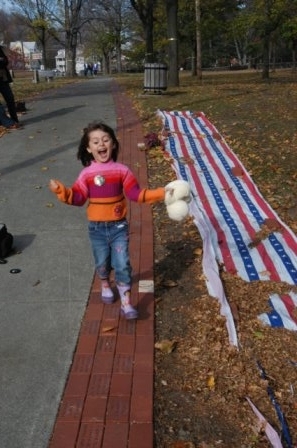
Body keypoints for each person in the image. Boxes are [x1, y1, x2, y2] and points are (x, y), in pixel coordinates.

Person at [49, 121, 167, 320]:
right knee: (102, 263)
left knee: (122, 264)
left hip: (118, 227)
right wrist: (63, 192)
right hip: (96, 229)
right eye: (95, 142)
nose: (101, 144)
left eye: (105, 140)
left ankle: (127, 303)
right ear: (89, 148)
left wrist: (162, 193)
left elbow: (136, 194)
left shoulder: (122, 170)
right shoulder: (86, 174)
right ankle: (105, 283)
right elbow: (78, 198)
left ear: (113, 143)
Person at [0, 45, 21, 129]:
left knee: (10, 98)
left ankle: (14, 120)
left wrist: (2, 61)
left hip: (3, 78)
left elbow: (5, 61)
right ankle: (9, 123)